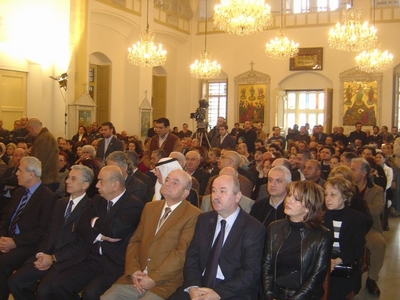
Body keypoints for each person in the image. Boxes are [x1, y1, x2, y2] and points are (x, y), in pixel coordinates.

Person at [101, 169, 202, 300]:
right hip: (137, 276)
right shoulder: (150, 207)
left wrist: (153, 278)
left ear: (185, 193)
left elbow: (181, 253)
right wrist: (134, 271)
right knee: (106, 298)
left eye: (175, 183)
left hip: (165, 281)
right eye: (167, 180)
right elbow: (135, 241)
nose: (168, 183)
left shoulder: (193, 215)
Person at [47, 165, 144, 300]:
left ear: (115, 185)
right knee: (59, 284)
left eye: (101, 181)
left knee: (90, 293)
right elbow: (82, 225)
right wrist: (100, 236)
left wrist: (95, 221)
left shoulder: (133, 204)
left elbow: (115, 230)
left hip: (113, 263)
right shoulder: (98, 200)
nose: (97, 185)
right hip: (91, 258)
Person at [168, 174, 266, 300]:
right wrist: (193, 287)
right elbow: (193, 257)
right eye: (213, 191)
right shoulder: (204, 219)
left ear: (238, 197)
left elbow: (250, 272)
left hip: (232, 291)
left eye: (223, 191)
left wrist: (218, 293)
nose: (216, 196)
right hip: (199, 284)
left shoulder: (253, 228)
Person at [8, 165, 94, 300]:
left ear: (85, 185)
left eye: (73, 179)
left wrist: (53, 258)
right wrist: (41, 254)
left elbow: (80, 244)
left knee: (45, 290)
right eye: (67, 178)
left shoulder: (90, 208)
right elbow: (48, 232)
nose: (67, 181)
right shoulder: (60, 203)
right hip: (47, 254)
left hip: (66, 260)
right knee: (16, 281)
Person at [262, 181, 332, 300]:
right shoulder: (274, 228)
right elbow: (266, 265)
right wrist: (270, 295)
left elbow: (317, 276)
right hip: (275, 293)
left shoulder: (322, 235)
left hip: (305, 296)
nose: (288, 200)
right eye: (289, 195)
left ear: (309, 207)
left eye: (296, 199)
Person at [0, 157, 57, 300]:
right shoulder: (19, 193)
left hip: (29, 245)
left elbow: (41, 231)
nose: (16, 174)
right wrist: (2, 238)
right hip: (9, 239)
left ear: (31, 174)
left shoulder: (48, 197)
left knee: (3, 263)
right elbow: (6, 219)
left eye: (20, 170)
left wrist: (15, 242)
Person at [323, 177, 369, 299]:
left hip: (345, 265)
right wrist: (326, 261)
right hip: (323, 262)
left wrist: (338, 260)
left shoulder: (357, 218)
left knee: (334, 292)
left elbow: (357, 247)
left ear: (344, 196)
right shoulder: (321, 217)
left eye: (333, 194)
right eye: (326, 194)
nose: (327, 198)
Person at [350, 158, 385, 295]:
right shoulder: (349, 187)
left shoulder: (376, 190)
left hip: (369, 228)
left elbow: (377, 209)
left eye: (354, 169)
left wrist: (358, 208)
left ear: (364, 172)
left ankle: (372, 278)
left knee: (379, 244)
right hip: (350, 226)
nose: (350, 172)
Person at [26, 118, 60, 192]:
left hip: (46, 180)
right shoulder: (45, 137)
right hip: (47, 179)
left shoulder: (44, 138)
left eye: (28, 131)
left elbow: (40, 162)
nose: (29, 134)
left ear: (32, 128)